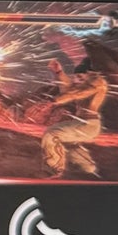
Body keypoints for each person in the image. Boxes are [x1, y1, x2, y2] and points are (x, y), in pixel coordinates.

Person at [40, 47, 112, 177]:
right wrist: (59, 72)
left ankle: (53, 169)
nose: (77, 79)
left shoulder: (98, 82)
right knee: (70, 144)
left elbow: (76, 93)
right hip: (83, 124)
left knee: (51, 134)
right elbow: (69, 88)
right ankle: (89, 170)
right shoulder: (86, 82)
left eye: (80, 76)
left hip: (88, 125)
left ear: (89, 72)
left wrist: (54, 101)